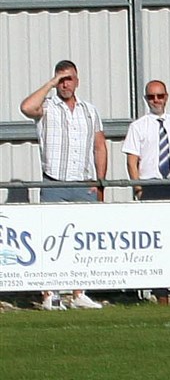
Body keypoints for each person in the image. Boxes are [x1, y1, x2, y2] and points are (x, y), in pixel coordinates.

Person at [19, 59, 107, 310]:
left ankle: (79, 292)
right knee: (51, 238)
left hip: (83, 183)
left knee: (82, 239)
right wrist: (50, 84)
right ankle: (50, 294)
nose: (65, 84)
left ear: (77, 81)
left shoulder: (89, 110)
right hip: (54, 182)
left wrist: (99, 182)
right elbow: (26, 107)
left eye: (69, 79)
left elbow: (99, 146)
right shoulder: (47, 107)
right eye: (61, 79)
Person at [122, 80, 170, 304]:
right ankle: (161, 292)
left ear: (166, 96)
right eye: (151, 97)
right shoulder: (138, 126)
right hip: (151, 186)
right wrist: (137, 187)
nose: (156, 100)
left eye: (160, 96)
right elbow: (132, 160)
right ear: (146, 99)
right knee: (156, 241)